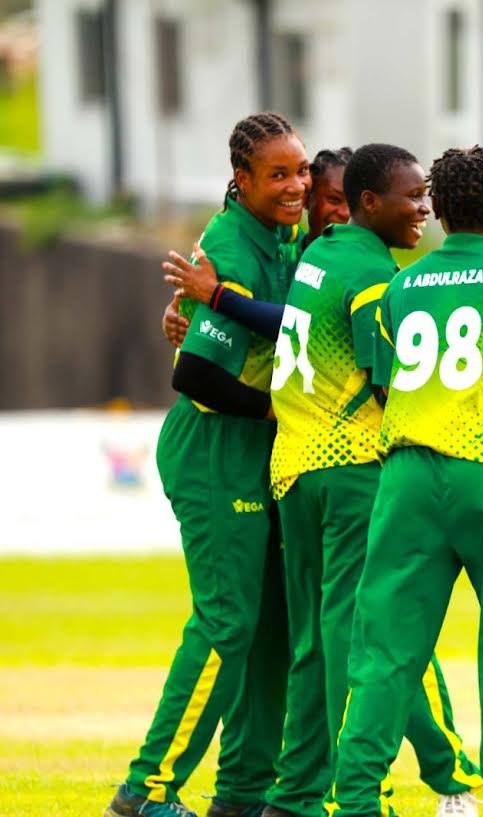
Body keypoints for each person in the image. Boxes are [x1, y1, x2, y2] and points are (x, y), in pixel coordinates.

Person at [164, 145, 483, 817]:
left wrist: (211, 300)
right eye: (412, 196)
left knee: (313, 636)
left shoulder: (312, 259)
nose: (422, 208)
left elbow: (284, 325)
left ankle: (296, 792)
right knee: (367, 636)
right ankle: (379, 787)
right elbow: (388, 379)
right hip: (349, 471)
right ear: (371, 204)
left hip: (293, 471)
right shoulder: (368, 276)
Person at [326, 145, 483, 817]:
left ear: (434, 206)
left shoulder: (398, 286)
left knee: (383, 648)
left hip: (405, 476)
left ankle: (354, 801)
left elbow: (383, 383)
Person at [105, 111, 310, 817]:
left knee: (270, 629)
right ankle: (145, 788)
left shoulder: (282, 236)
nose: (295, 186)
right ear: (241, 180)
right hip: (217, 448)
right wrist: (278, 410)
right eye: (278, 174)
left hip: (256, 453)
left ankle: (242, 793)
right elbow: (194, 375)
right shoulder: (228, 244)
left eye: (301, 171)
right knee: (227, 623)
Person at [161, 147, 354, 348]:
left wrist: (216, 295)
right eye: (334, 199)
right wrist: (183, 312)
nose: (347, 213)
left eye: (354, 204)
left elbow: (301, 323)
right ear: (307, 199)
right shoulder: (280, 251)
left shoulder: (364, 271)